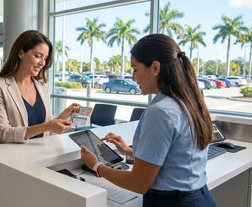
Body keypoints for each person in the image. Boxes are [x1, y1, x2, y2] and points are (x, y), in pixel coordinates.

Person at [80, 34, 217, 207]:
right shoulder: (189, 102)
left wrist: (96, 166)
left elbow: (138, 183)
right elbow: (176, 157)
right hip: (200, 197)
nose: (133, 78)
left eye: (135, 69)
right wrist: (130, 152)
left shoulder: (160, 112)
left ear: (155, 67)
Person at [0, 30, 79, 143]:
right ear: (21, 53)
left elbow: (47, 127)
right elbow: (2, 133)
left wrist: (63, 116)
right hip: (13, 157)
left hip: (42, 154)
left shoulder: (43, 85)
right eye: (38, 56)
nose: (42, 63)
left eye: (45, 58)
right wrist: (47, 126)